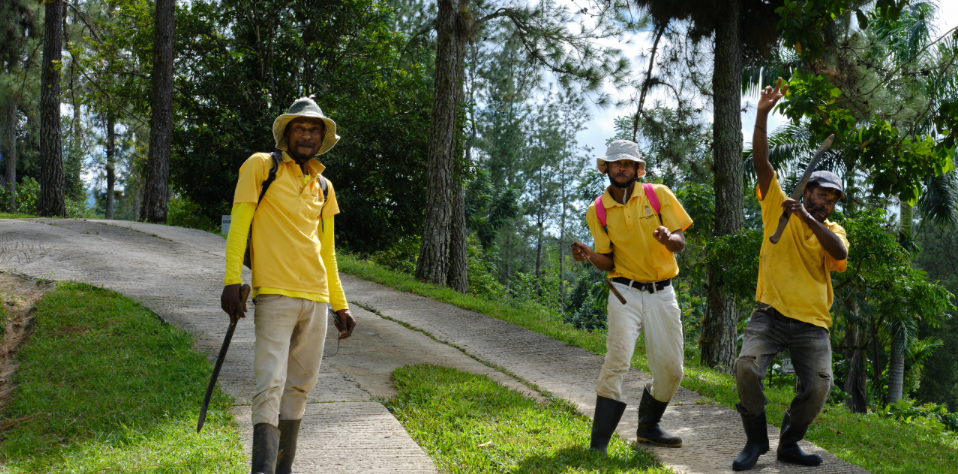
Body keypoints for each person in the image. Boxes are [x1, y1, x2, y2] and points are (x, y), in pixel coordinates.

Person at [220, 96, 357, 474]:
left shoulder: (324, 186)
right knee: (270, 383)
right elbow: (239, 225)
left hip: (315, 299)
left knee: (300, 386)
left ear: (322, 137)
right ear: (287, 133)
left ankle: (283, 470)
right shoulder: (261, 166)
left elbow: (327, 252)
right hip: (274, 295)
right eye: (301, 127)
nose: (308, 134)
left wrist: (340, 304)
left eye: (314, 129)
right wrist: (233, 280)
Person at [731, 78, 849, 471]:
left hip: (812, 324)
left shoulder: (832, 232)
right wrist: (762, 114)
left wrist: (808, 219)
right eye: (821, 195)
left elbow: (840, 253)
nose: (827, 203)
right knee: (746, 368)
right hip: (769, 315)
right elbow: (762, 162)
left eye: (832, 200)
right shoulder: (777, 207)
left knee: (818, 386)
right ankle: (755, 440)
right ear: (809, 190)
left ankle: (790, 443)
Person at [571, 140, 693, 454]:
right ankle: (598, 445)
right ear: (607, 169)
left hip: (661, 292)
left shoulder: (658, 195)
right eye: (616, 163)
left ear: (638, 169)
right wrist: (588, 255)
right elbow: (607, 261)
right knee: (617, 360)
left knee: (671, 370)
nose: (622, 168)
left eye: (628, 163)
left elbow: (680, 240)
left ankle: (649, 427)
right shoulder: (597, 210)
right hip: (623, 292)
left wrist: (669, 238)